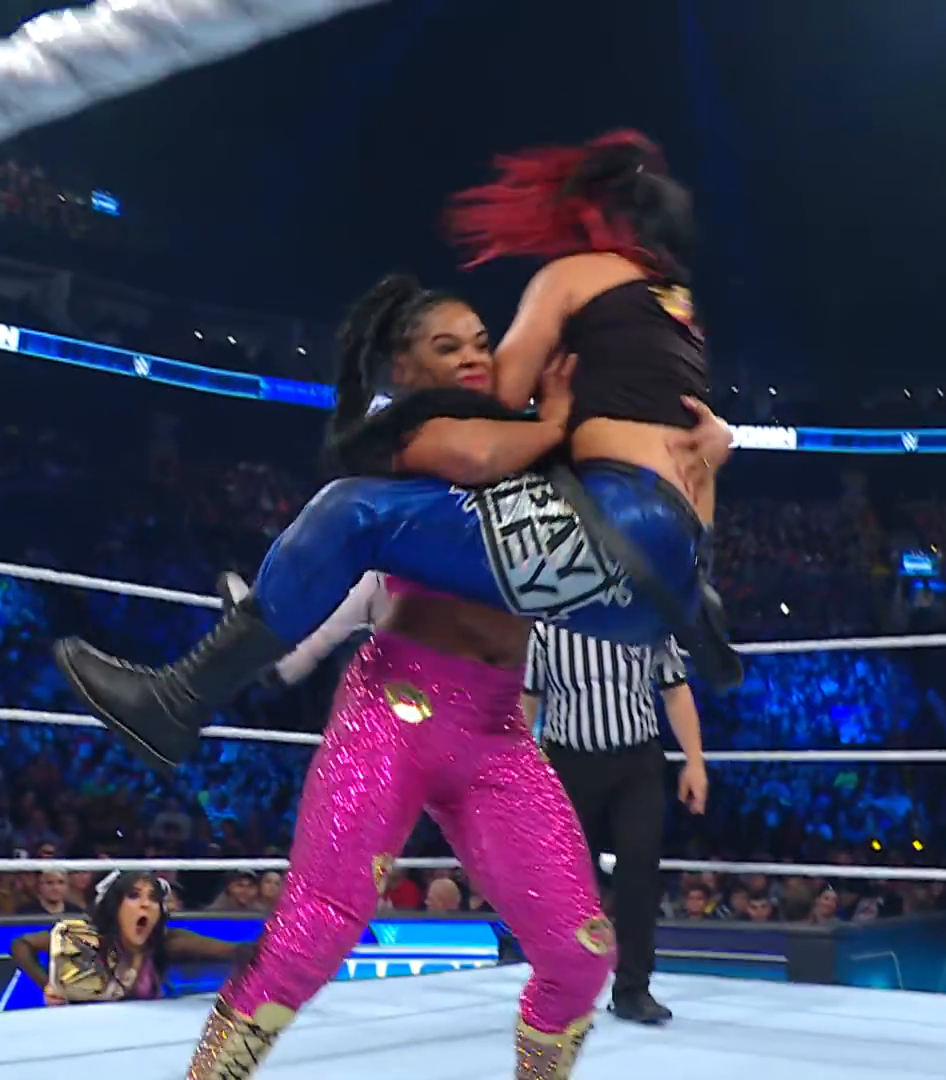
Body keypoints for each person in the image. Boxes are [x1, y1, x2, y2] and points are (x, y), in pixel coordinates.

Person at [55, 130, 737, 772]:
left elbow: (497, 398)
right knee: (431, 520)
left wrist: (507, 390)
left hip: (616, 534)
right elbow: (686, 441)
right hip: (662, 592)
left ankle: (178, 701)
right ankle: (280, 621)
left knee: (352, 511)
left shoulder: (576, 275)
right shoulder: (680, 313)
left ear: (600, 216)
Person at [181, 277, 634, 1080]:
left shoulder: (528, 440)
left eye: (480, 343)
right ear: (404, 366)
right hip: (397, 706)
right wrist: (558, 419)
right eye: (446, 346)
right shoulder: (412, 436)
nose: (472, 359)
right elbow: (478, 458)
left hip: (497, 727)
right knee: (319, 925)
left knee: (582, 952)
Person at [522, 622, 709, 1025]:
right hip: (570, 763)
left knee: (640, 865)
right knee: (568, 880)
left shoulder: (647, 617)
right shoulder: (546, 626)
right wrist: (523, 766)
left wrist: (694, 762)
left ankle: (633, 988)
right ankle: (565, 984)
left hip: (636, 763)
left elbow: (675, 689)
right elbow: (528, 697)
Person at [9, 870, 246, 1005]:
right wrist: (47, 985)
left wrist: (262, 951)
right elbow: (21, 944)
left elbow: (234, 951)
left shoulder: (163, 943)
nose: (145, 904)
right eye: (134, 896)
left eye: (153, 898)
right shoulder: (86, 940)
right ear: (115, 906)